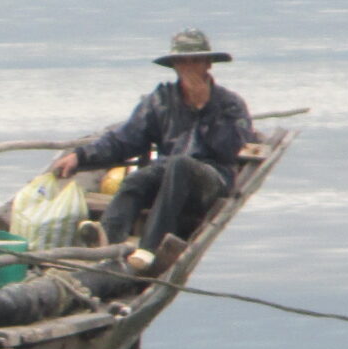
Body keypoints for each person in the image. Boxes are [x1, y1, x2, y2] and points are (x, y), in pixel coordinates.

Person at [48, 28, 251, 269]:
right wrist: (80, 156)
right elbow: (125, 139)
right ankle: (107, 240)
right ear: (174, 65)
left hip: (211, 179)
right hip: (168, 176)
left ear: (208, 64)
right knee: (139, 178)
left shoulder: (229, 104)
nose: (188, 67)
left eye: (195, 60)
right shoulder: (161, 100)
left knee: (180, 164)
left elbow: (229, 149)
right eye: (182, 61)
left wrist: (202, 108)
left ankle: (149, 248)